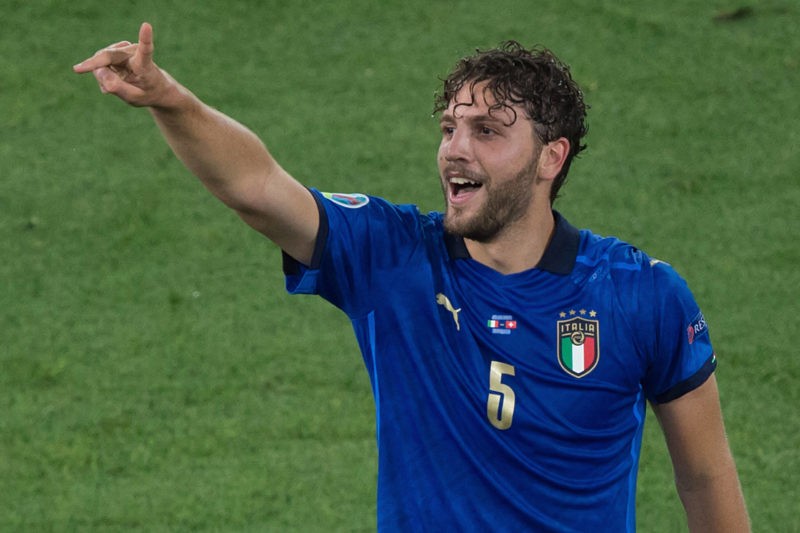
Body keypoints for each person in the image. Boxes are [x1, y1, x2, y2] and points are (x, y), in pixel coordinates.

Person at [74, 23, 750, 532]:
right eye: (450, 126)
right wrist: (167, 98)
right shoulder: (392, 257)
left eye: (487, 131)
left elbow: (704, 473)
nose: (456, 147)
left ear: (551, 158)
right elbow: (256, 186)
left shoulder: (641, 294)